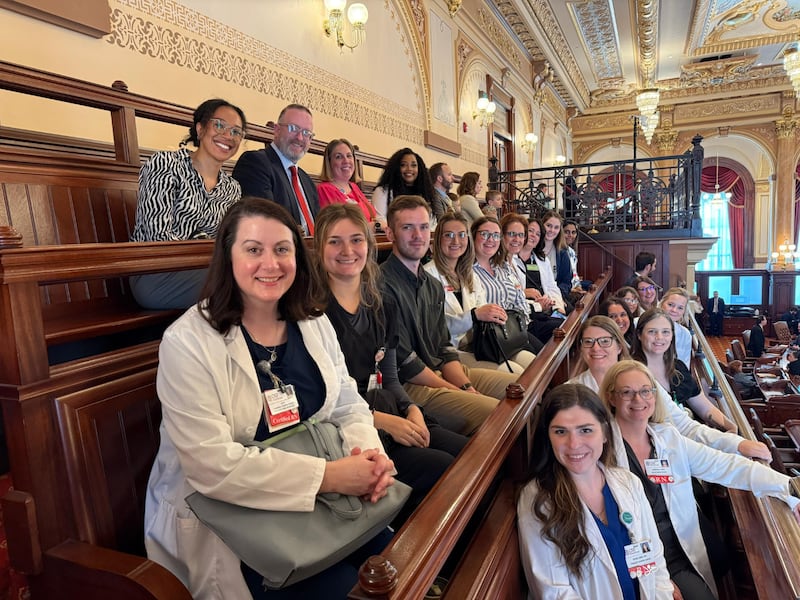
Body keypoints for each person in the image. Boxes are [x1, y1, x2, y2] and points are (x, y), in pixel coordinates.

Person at [144, 198, 395, 599]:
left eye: (282, 249)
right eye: (253, 250)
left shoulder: (312, 321)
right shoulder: (187, 343)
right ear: (228, 256)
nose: (270, 264)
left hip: (325, 507)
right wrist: (329, 476)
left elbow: (347, 401)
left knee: (402, 564)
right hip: (239, 522)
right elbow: (210, 467)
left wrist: (367, 457)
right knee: (351, 591)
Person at [314, 204, 467, 524]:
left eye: (356, 240)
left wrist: (411, 410)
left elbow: (391, 377)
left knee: (469, 454)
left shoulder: (380, 304)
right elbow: (322, 402)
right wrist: (384, 421)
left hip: (390, 408)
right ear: (320, 248)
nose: (347, 251)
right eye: (334, 241)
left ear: (369, 246)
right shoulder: (313, 313)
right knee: (443, 468)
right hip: (353, 432)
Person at [600, 360, 800, 600]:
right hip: (644, 552)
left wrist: (789, 488)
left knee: (722, 562)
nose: (638, 399)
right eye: (627, 392)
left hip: (681, 537)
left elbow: (724, 465)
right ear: (611, 397)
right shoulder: (602, 449)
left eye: (645, 391)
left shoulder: (667, 437)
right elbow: (609, 529)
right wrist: (657, 577)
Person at [517, 383, 672, 599]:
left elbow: (654, 557)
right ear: (548, 438)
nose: (574, 444)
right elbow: (554, 592)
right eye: (561, 432)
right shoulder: (539, 498)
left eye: (586, 430)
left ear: (605, 433)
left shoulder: (628, 482)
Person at [380, 195, 518, 436]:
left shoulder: (431, 285)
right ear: (391, 234)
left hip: (442, 371)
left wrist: (464, 384)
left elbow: (444, 347)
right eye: (407, 228)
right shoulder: (382, 286)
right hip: (412, 385)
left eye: (423, 227)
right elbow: (407, 365)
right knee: (497, 414)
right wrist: (460, 391)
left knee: (520, 389)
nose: (418, 235)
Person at [130, 98, 246, 309]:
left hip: (210, 271)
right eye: (219, 125)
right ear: (200, 129)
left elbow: (230, 241)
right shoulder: (165, 164)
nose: (228, 136)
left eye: (237, 132)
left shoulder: (232, 188)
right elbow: (159, 237)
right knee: (249, 281)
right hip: (155, 273)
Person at [424, 212, 529, 373]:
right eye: (449, 235)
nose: (456, 241)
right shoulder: (428, 275)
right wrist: (474, 316)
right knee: (517, 373)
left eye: (461, 235)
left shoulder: (468, 274)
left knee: (531, 362)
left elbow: (484, 309)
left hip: (481, 343)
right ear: (438, 240)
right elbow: (433, 329)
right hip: (451, 352)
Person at [632, 308, 735, 433]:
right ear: (639, 335)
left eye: (665, 332)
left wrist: (731, 427)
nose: (659, 337)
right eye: (652, 332)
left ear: (672, 336)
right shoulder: (632, 373)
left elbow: (704, 408)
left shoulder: (678, 367)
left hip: (686, 436)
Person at [233, 104, 319, 236]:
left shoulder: (306, 180)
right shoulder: (255, 163)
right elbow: (263, 222)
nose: (300, 138)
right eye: (293, 128)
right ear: (277, 130)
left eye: (306, 133)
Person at [471, 215, 541, 361]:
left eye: (495, 235)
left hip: (516, 330)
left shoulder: (502, 266)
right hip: (492, 338)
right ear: (473, 236)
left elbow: (519, 299)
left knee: (547, 359)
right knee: (539, 363)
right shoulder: (468, 271)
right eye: (484, 234)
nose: (491, 240)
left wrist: (522, 325)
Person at [516, 217, 568, 340]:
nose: (533, 236)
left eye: (538, 234)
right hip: (528, 312)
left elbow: (551, 285)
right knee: (561, 328)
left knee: (570, 322)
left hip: (545, 307)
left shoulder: (541, 259)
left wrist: (558, 306)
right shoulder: (510, 259)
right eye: (530, 231)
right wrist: (525, 294)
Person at [316, 138, 378, 224]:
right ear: (329, 162)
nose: (346, 161)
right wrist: (372, 227)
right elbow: (336, 225)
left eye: (349, 156)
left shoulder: (354, 186)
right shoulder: (324, 189)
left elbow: (373, 216)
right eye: (339, 157)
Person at [371, 148, 435, 222]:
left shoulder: (425, 192)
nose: (409, 169)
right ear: (396, 168)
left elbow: (432, 223)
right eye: (403, 165)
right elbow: (380, 220)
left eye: (413, 165)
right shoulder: (382, 191)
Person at [540, 210, 578, 301]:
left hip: (556, 297)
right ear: (542, 226)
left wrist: (555, 296)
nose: (552, 230)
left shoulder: (563, 253)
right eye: (548, 226)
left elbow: (566, 282)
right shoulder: (532, 249)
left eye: (556, 227)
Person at [659, 287, 693, 366]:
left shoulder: (685, 334)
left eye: (680, 308)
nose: (674, 310)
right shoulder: (639, 323)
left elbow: (685, 365)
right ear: (662, 303)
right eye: (670, 305)